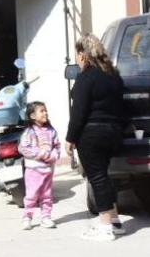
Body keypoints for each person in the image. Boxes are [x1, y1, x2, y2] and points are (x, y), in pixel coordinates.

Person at [65, 34, 127, 241]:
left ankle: (105, 227)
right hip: (113, 132)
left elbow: (79, 112)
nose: (77, 59)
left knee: (97, 179)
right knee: (105, 177)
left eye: (77, 54)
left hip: (91, 134)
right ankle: (115, 222)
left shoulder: (86, 77)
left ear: (83, 54)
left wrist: (70, 138)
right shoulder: (113, 75)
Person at [18, 101, 60, 230]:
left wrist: (53, 155)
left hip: (47, 170)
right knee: (32, 195)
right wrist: (41, 154)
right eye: (41, 111)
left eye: (45, 110)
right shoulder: (29, 132)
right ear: (32, 116)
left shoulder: (51, 131)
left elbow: (57, 146)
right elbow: (23, 148)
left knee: (47, 195)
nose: (45, 113)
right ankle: (27, 217)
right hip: (33, 169)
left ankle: (46, 217)